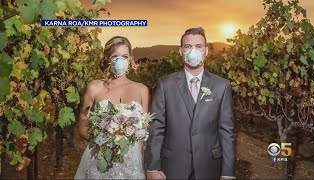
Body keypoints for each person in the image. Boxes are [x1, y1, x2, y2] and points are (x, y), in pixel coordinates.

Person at [145, 27, 236, 179]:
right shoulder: (165, 84)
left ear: (206, 51)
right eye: (188, 46)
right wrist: (152, 167)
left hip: (210, 167)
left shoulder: (222, 86)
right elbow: (156, 128)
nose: (193, 51)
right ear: (180, 51)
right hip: (173, 167)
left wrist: (228, 173)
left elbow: (227, 132)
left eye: (198, 46)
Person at [74, 36, 149, 179]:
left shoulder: (142, 90)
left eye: (124, 56)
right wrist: (107, 142)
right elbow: (82, 128)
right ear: (107, 59)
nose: (120, 61)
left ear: (130, 59)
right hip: (100, 160)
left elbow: (143, 135)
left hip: (131, 164)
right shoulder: (94, 88)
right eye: (115, 56)